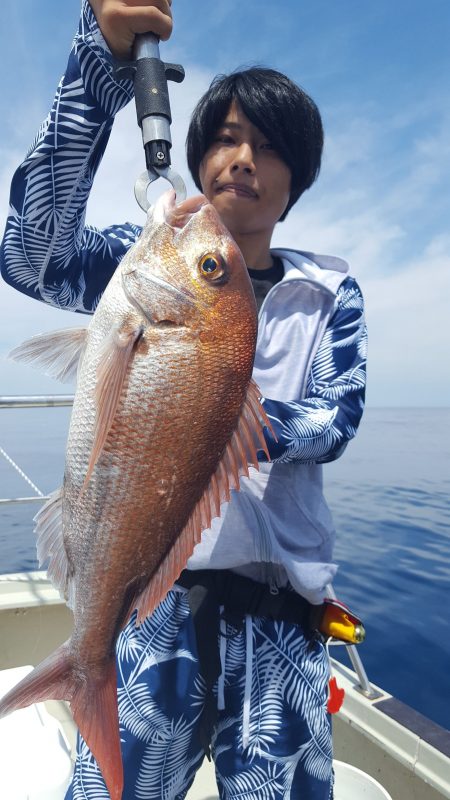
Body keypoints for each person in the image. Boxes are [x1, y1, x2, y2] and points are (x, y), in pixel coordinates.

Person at [0, 1, 367, 798]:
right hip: (148, 610)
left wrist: (230, 417)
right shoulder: (141, 274)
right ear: (196, 159)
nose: (244, 159)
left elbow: (337, 419)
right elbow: (29, 254)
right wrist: (97, 60)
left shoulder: (329, 292)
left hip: (284, 620)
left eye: (269, 148)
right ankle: (83, 666)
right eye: (227, 138)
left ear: (295, 178)